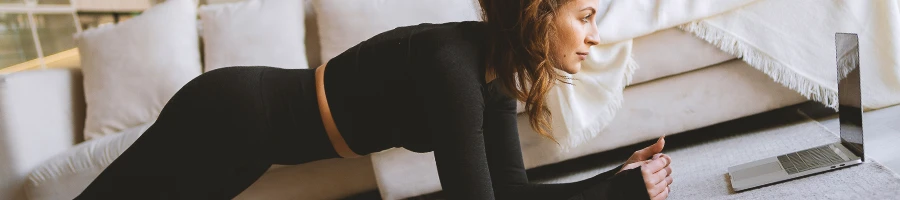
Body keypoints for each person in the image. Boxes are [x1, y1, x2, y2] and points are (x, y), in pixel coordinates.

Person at [76, 0, 674, 199]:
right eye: (586, 15)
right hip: (228, 113)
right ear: (538, 14)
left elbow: (509, 194)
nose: (596, 34)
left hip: (253, 145)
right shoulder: (453, 68)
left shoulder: (491, 78)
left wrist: (614, 182)